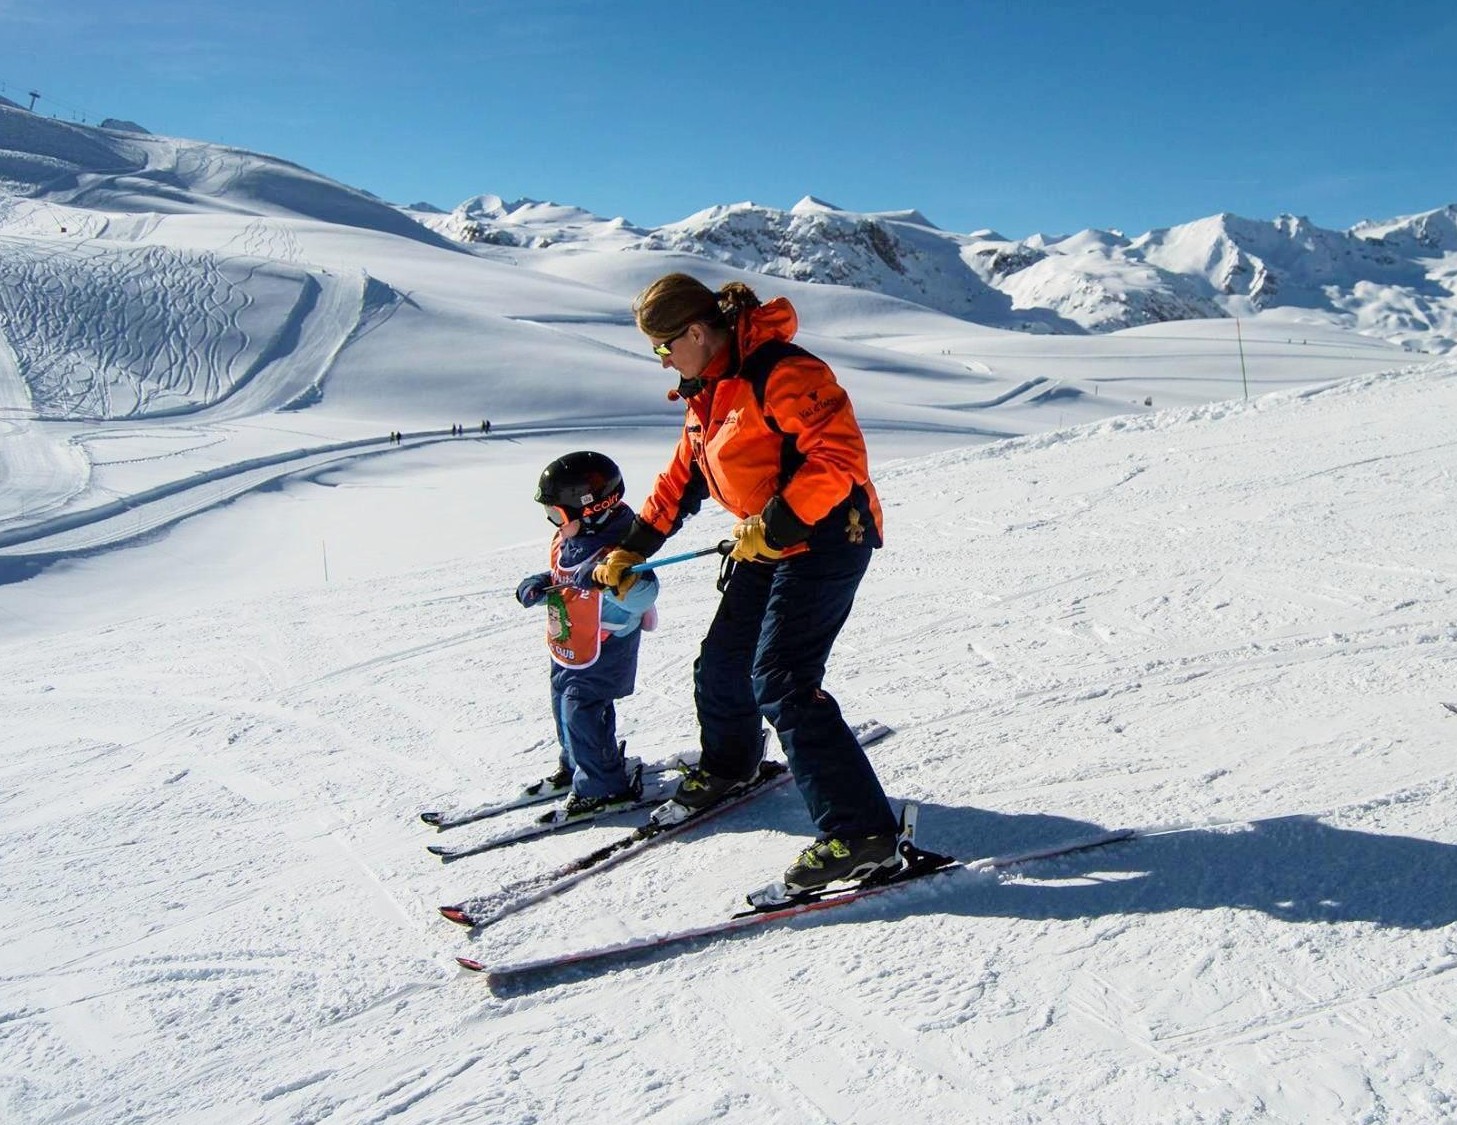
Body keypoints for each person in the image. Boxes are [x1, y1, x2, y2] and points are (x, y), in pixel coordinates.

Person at [591, 272, 899, 893]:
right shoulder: (707, 392)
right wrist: (631, 549)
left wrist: (777, 523)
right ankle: (732, 765)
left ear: (698, 333)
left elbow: (839, 458)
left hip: (829, 537)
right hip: (768, 541)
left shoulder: (782, 373)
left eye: (662, 347)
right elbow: (682, 481)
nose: (661, 361)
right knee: (721, 666)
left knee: (782, 679)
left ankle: (864, 836)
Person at [517, 451, 660, 817]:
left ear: (592, 509)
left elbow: (646, 593)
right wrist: (542, 583)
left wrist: (610, 582)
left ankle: (604, 787)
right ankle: (579, 764)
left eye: (557, 515)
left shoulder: (621, 549)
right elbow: (567, 576)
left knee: (582, 710)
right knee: (562, 701)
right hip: (571, 640)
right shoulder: (573, 537)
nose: (553, 524)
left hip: (607, 642)